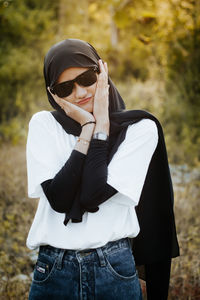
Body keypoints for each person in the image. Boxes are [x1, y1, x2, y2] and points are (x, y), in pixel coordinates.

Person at [26, 39, 179, 300]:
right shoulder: (44, 125)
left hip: (112, 269)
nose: (80, 92)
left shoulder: (140, 129)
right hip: (53, 271)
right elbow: (60, 199)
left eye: (87, 78)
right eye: (65, 88)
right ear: (53, 94)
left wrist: (102, 125)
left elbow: (92, 194)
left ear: (102, 72)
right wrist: (88, 128)